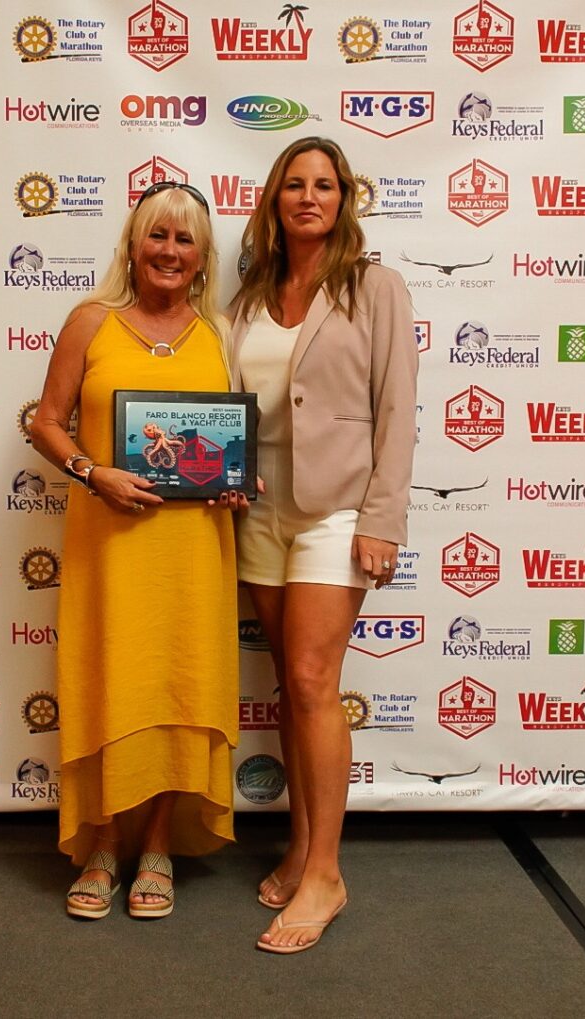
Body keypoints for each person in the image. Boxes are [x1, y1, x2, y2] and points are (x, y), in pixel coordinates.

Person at [30, 181, 245, 920]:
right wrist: (94, 472)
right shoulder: (91, 322)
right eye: (157, 235)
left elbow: (229, 443)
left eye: (185, 240)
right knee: (113, 679)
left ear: (202, 256)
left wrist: (231, 484)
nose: (169, 251)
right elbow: (48, 424)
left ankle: (158, 843)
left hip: (192, 548)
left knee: (178, 684)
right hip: (110, 544)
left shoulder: (220, 333)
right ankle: (103, 844)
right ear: (132, 243)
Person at [228, 136, 418, 953]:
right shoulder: (248, 296)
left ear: (345, 198)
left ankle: (328, 874)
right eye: (295, 185)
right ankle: (301, 845)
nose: (310, 197)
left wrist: (383, 518)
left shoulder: (375, 287)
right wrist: (226, 473)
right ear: (274, 199)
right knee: (289, 682)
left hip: (339, 510)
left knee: (312, 678)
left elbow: (398, 412)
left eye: (326, 184)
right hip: (259, 509)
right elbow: (237, 405)